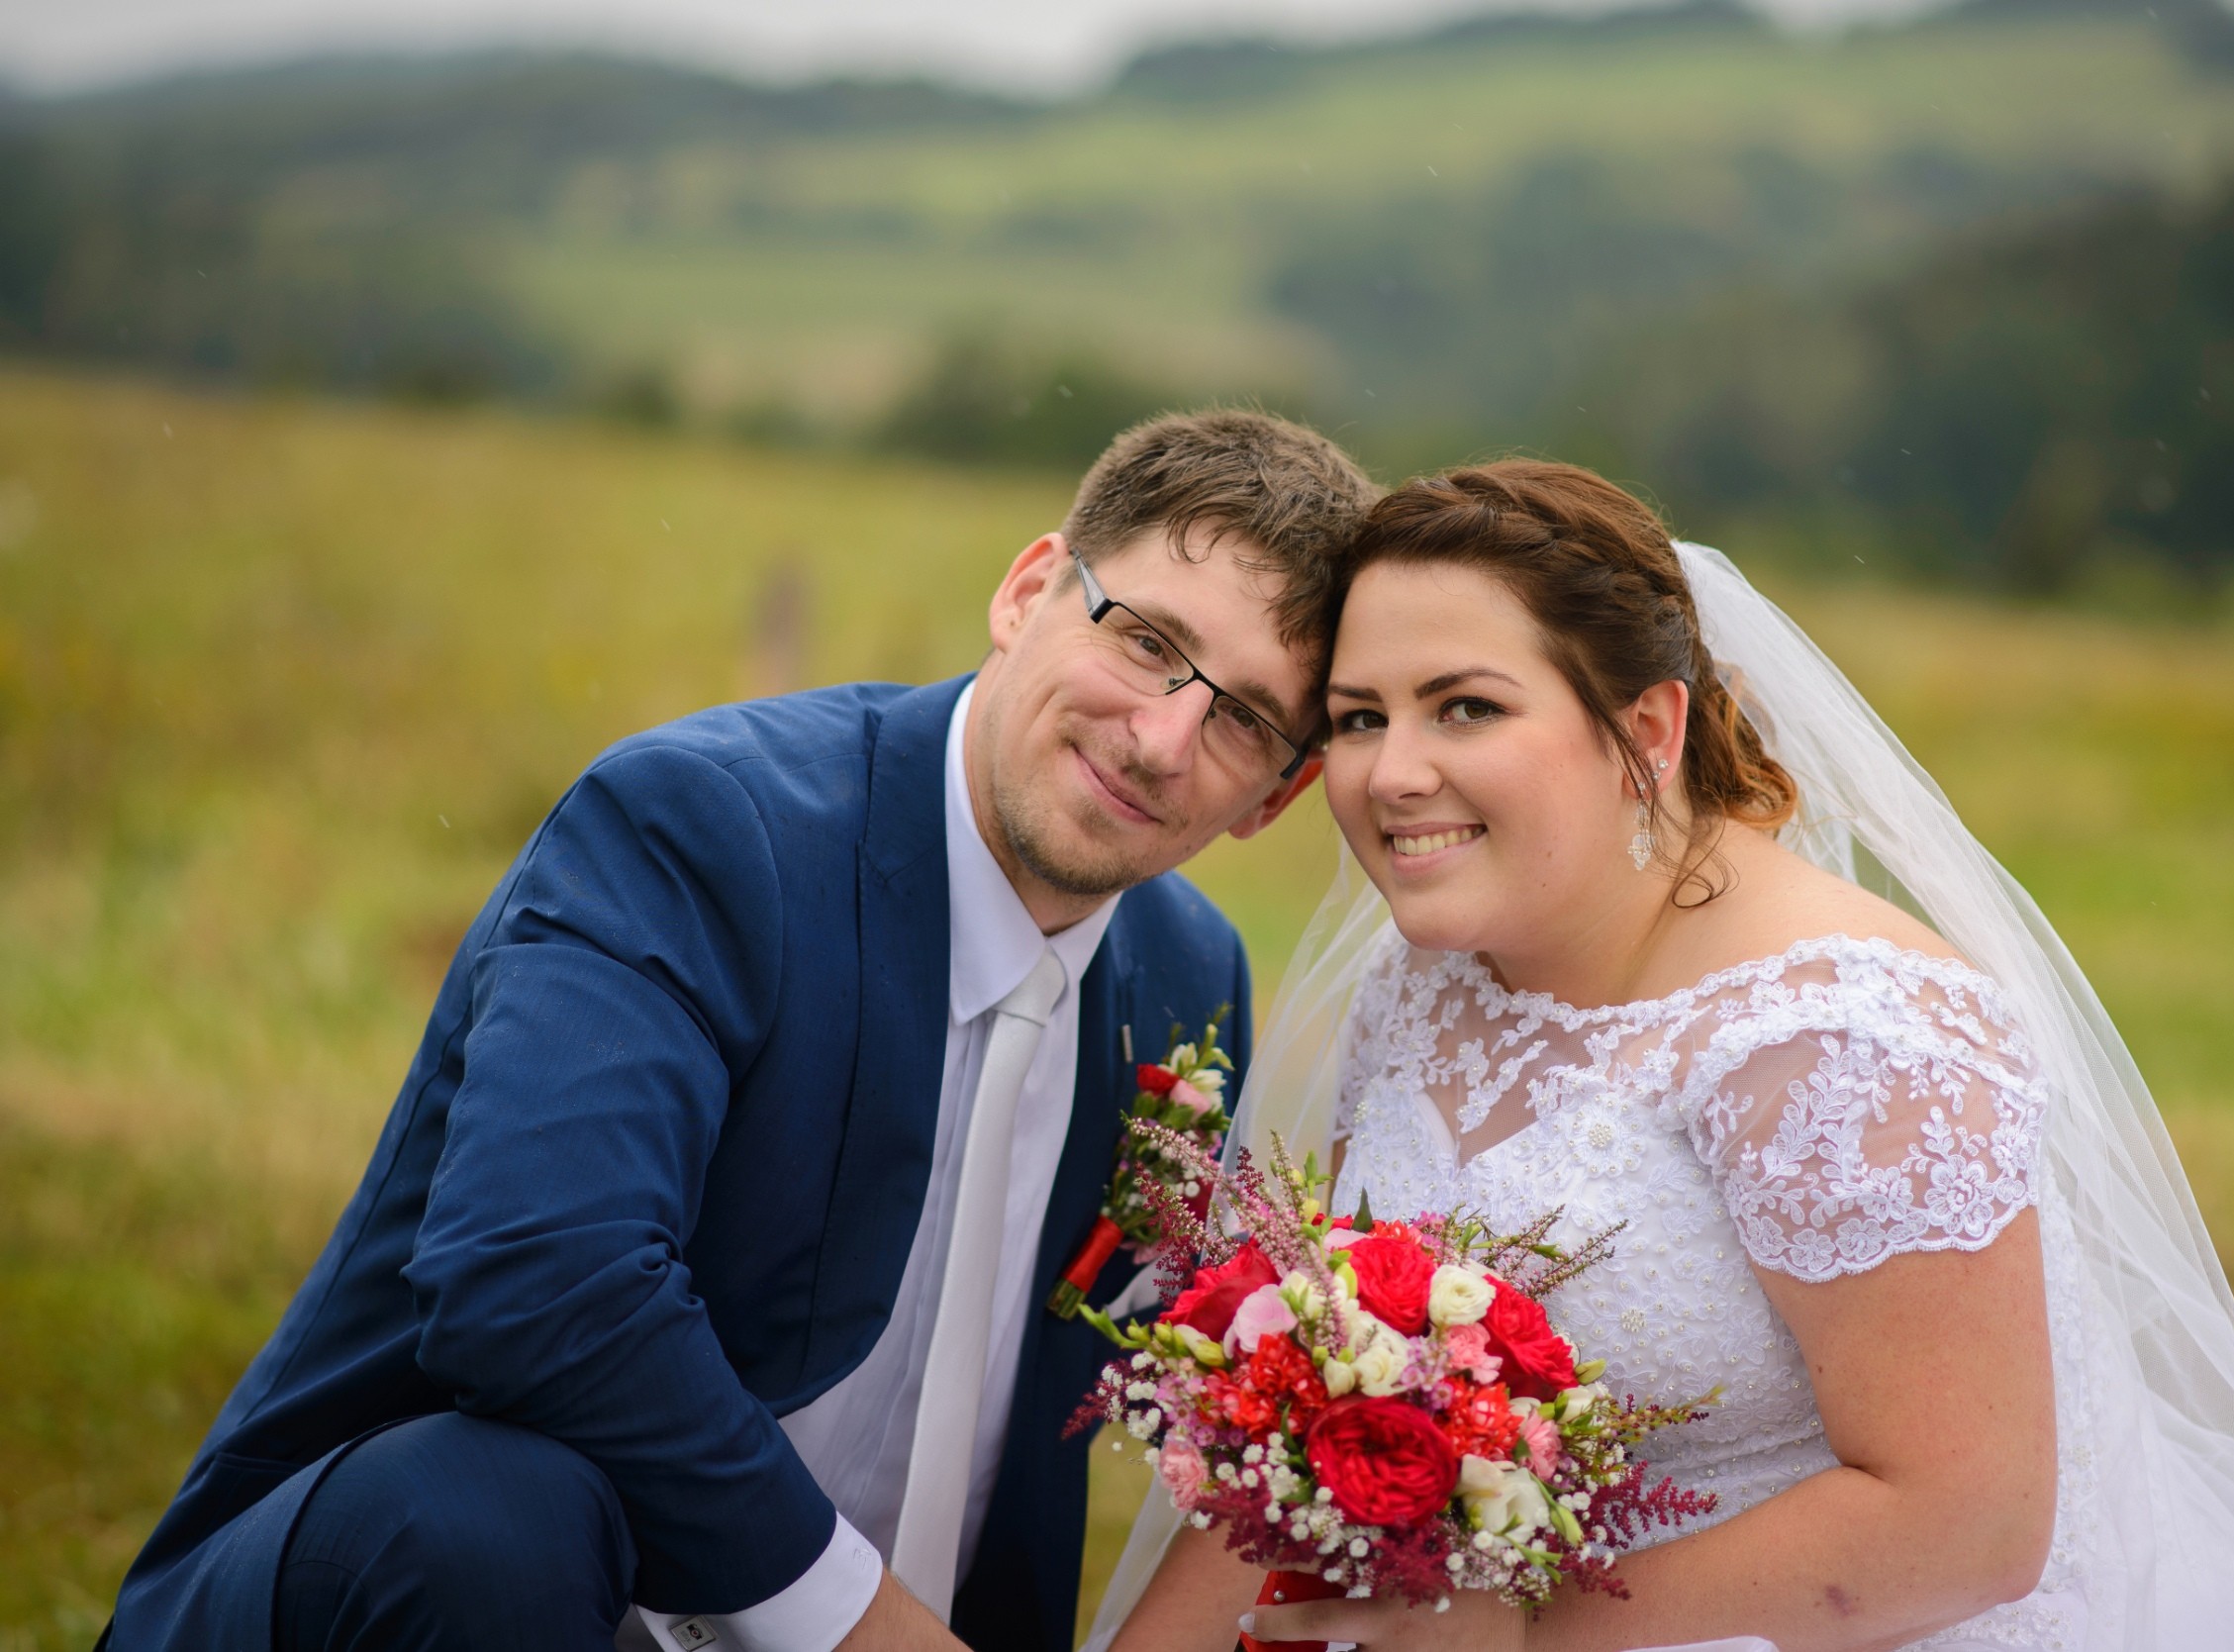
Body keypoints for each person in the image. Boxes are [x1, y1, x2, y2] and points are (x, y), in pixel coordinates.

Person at [99, 411, 1380, 1652]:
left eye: (1243, 718)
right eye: (1147, 641)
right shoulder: (701, 826)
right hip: (439, 1598)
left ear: (1277, 797)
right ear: (1026, 591)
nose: (1161, 739)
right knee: (487, 1518)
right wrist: (864, 1635)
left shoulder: (1188, 974)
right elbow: (533, 1281)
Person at [1089, 461, 2234, 1652]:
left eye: (1466, 706)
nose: (1392, 773)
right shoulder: (1426, 976)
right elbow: (1314, 1397)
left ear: (1650, 729)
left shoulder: (1844, 1036)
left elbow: (1969, 1524)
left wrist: (1521, 1636)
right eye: (1360, 717)